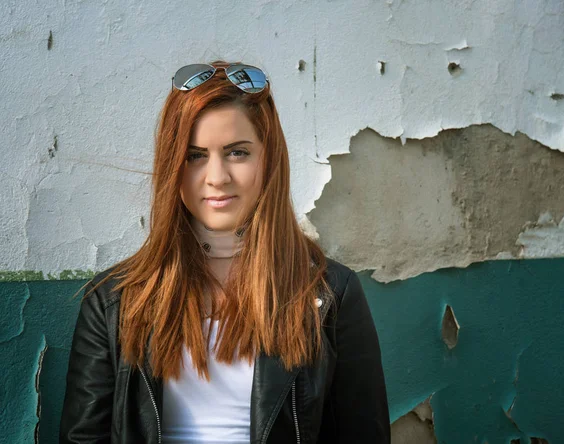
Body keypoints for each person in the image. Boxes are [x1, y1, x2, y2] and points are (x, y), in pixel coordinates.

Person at [59, 61, 390, 444]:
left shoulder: (330, 294)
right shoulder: (112, 302)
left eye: (237, 153)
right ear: (172, 167)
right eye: (195, 155)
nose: (217, 177)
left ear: (269, 160)